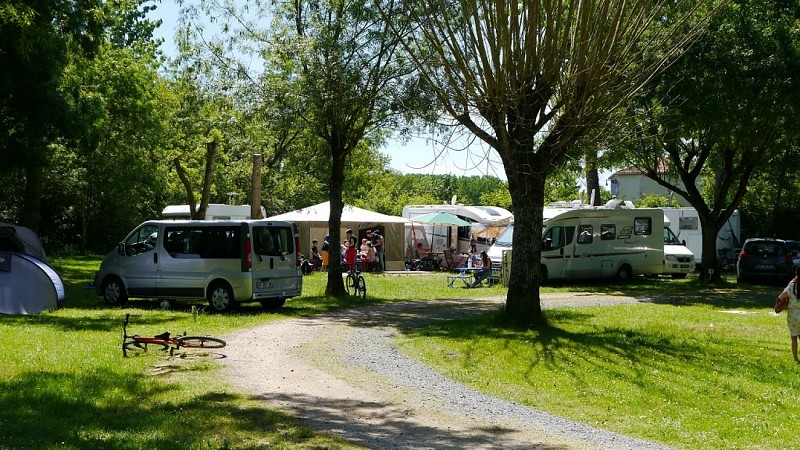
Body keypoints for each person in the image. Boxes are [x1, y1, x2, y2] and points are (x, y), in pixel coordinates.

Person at [778, 267, 800, 363]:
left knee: (794, 338)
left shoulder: (791, 285)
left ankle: (795, 359)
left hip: (793, 314)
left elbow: (781, 296)